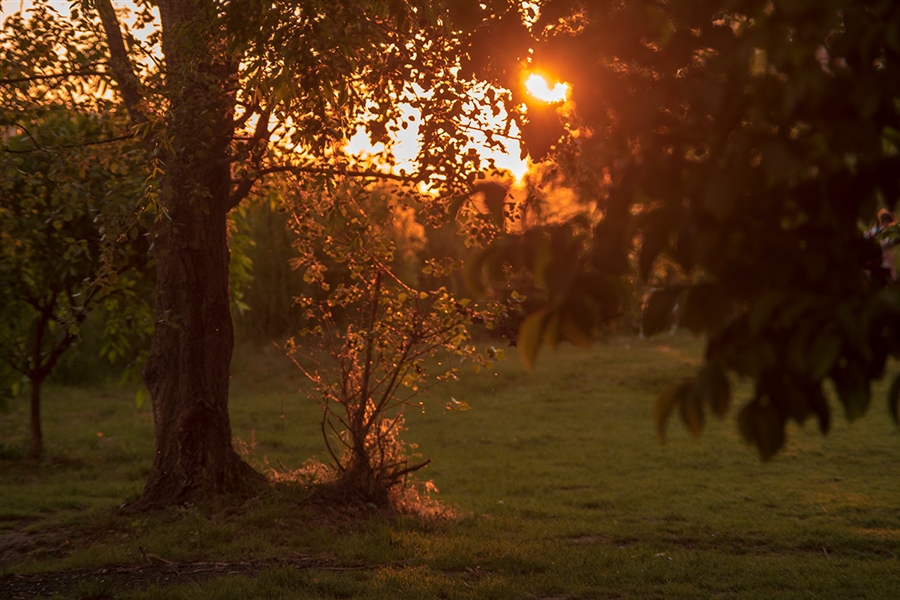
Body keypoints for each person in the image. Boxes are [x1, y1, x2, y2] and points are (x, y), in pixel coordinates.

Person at [865, 209, 898, 281]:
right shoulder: (885, 234)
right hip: (883, 265)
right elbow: (888, 252)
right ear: (885, 222)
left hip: (873, 264)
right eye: (888, 223)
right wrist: (893, 270)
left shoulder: (873, 230)